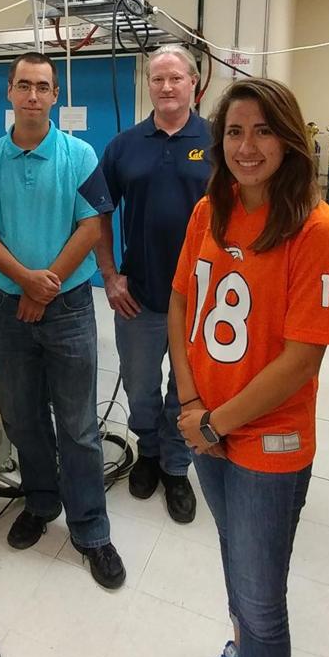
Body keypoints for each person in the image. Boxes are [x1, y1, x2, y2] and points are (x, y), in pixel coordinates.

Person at [168, 78, 329, 657]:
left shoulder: (317, 229)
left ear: (289, 139)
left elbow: (302, 358)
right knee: (236, 558)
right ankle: (237, 643)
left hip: (266, 444)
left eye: (261, 130)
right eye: (233, 131)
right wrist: (189, 405)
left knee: (264, 593)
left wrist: (214, 419)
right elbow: (184, 301)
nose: (245, 145)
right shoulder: (208, 211)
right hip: (207, 430)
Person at [0, 52, 126, 590]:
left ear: (54, 95)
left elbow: (92, 227)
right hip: (9, 311)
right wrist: (24, 281)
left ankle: (91, 529)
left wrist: (46, 282)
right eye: (24, 86)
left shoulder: (79, 155)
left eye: (43, 87)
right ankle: (39, 501)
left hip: (70, 308)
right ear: (9, 92)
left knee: (79, 426)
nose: (33, 96)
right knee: (22, 418)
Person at [97, 47, 211, 521]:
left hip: (201, 299)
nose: (166, 87)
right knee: (142, 387)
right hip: (139, 297)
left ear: (193, 83)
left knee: (185, 392)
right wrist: (109, 275)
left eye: (176, 78)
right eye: (158, 79)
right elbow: (98, 212)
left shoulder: (217, 140)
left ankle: (176, 466)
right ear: (149, 84)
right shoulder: (125, 145)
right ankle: (146, 452)